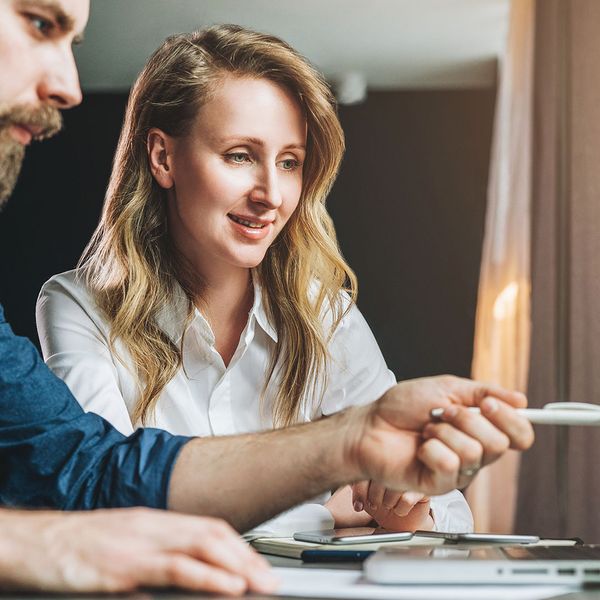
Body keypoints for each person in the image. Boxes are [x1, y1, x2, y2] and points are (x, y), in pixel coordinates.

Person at [0, 0, 534, 593]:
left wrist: (406, 507)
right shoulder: (79, 306)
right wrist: (317, 503)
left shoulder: (323, 310)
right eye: (238, 156)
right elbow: (101, 496)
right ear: (162, 156)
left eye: (290, 163)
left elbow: (445, 513)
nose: (272, 194)